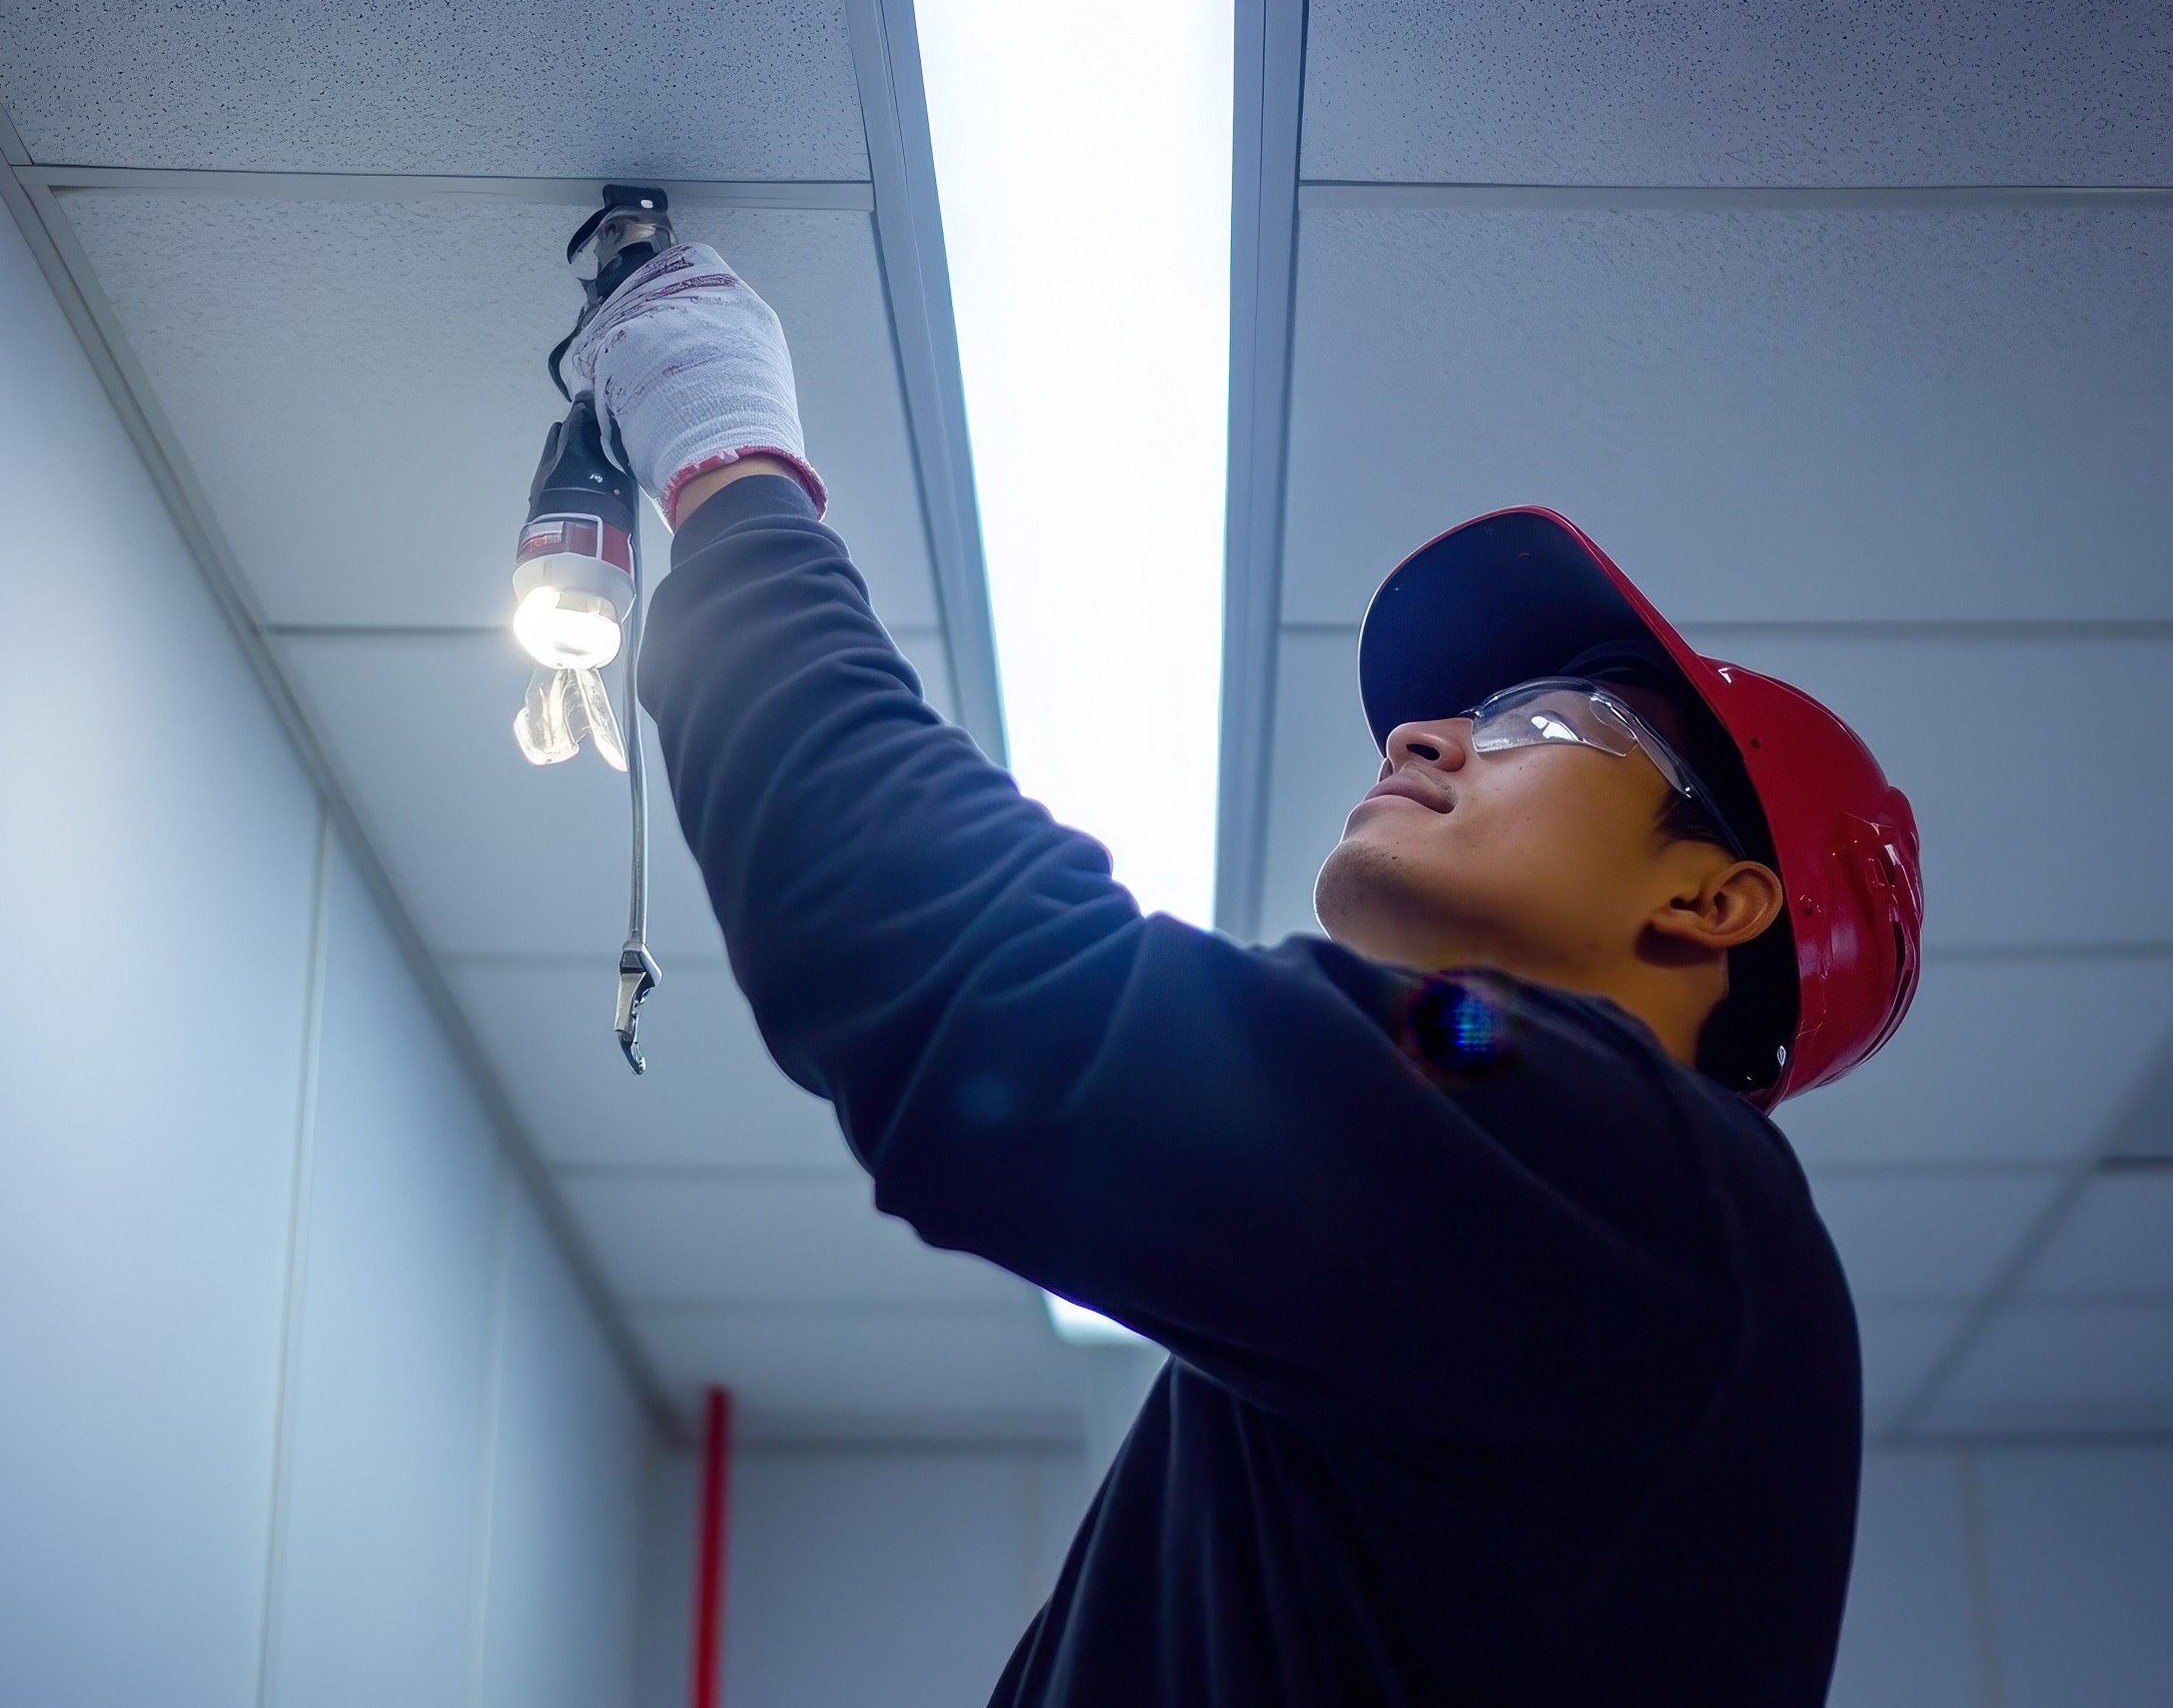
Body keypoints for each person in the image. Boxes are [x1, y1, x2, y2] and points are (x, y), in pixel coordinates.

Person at [567, 236, 1923, 1706]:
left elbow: (979, 991)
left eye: (1543, 717)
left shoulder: (1650, 1181)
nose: (1420, 736)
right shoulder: (1533, 1167)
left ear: (1715, 897)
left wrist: (728, 461)